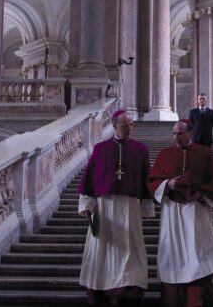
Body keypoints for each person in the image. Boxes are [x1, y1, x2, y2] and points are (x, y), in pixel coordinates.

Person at [77, 110, 154, 307]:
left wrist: (146, 208)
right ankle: (103, 286)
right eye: (124, 125)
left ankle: (129, 286)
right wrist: (87, 205)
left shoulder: (141, 150)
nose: (129, 128)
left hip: (130, 207)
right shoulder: (101, 149)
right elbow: (90, 180)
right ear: (114, 125)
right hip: (105, 207)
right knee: (103, 250)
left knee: (130, 248)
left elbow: (146, 180)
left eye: (131, 125)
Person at [148, 119, 213, 307]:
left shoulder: (205, 153)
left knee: (197, 252)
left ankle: (197, 299)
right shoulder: (165, 154)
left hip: (196, 211)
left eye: (180, 133)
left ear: (190, 133)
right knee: (171, 252)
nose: (176, 137)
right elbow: (153, 180)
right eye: (174, 133)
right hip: (172, 212)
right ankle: (172, 299)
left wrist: (201, 192)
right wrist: (168, 184)